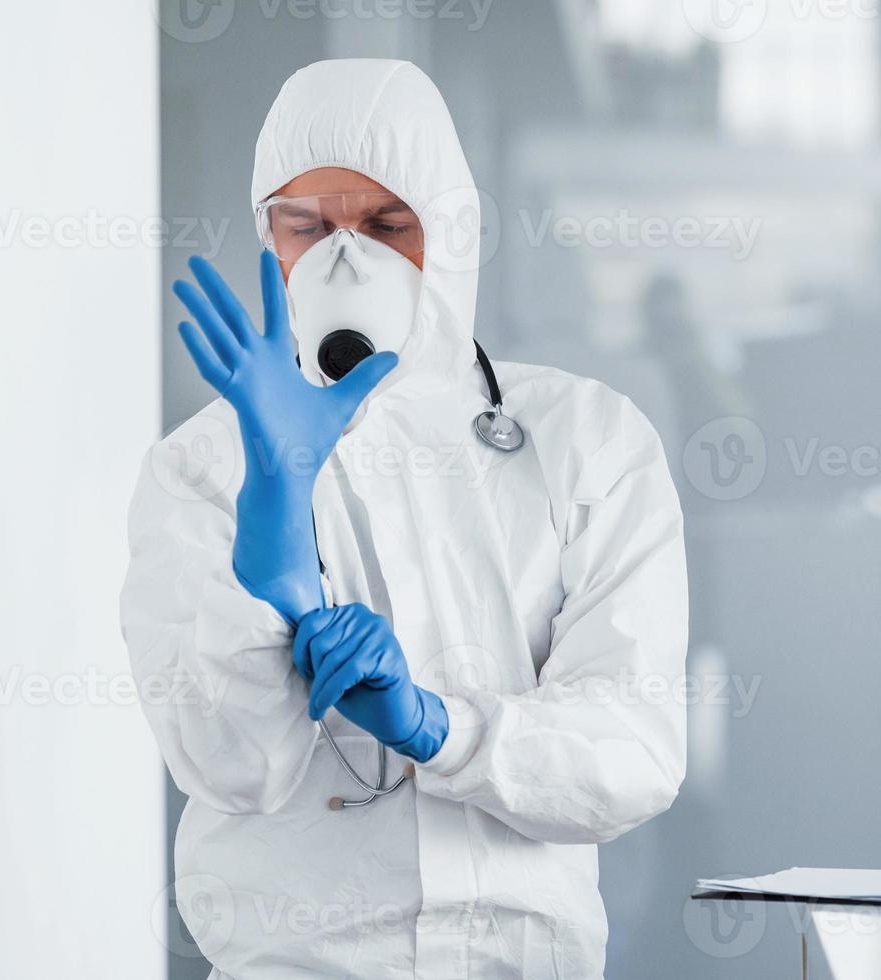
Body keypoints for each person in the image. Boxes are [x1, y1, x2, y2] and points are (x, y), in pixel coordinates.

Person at [121, 58, 688, 979]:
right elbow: (229, 764)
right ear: (267, 236)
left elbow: (633, 755)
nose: (349, 259)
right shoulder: (203, 466)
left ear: (454, 231)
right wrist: (273, 498)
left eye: (388, 225)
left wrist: (438, 728)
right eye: (307, 225)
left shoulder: (587, 441)